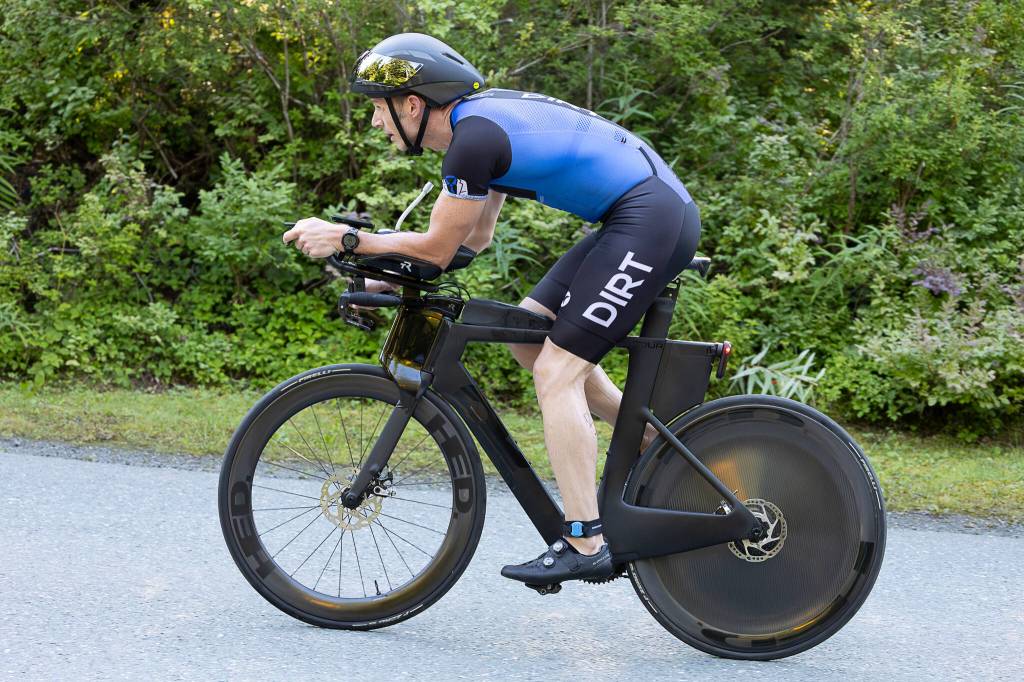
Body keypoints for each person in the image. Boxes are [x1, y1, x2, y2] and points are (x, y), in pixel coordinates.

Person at [283, 33, 700, 585]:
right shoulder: (477, 132)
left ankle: (586, 539)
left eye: (379, 108)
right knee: (528, 336)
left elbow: (436, 246)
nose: (377, 123)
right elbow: (467, 244)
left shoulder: (472, 140)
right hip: (634, 215)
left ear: (412, 103)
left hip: (649, 217)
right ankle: (656, 451)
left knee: (557, 372)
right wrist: (388, 275)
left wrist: (348, 239)